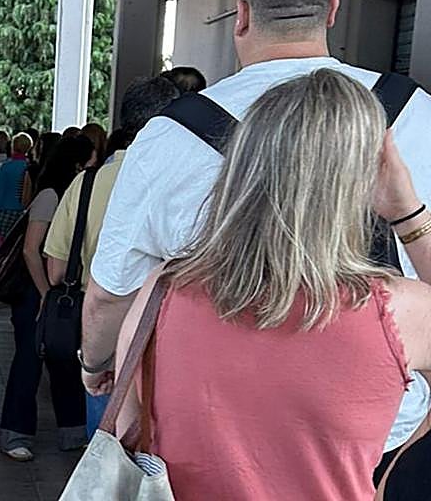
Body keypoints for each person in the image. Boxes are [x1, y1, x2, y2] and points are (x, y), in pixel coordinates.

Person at [81, 0, 431, 494]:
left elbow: (110, 299)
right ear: (333, 8)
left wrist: (96, 362)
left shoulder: (163, 270)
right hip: (380, 437)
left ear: (241, 15)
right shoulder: (421, 118)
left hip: (199, 451)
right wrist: (408, 215)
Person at [113, 70, 431, 501]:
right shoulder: (397, 312)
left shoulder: (163, 290)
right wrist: (408, 213)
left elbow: (128, 435)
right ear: (358, 183)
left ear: (240, 168)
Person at [42, 76, 180, 438]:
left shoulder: (87, 183)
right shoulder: (186, 180)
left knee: (106, 445)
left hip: (102, 332)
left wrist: (92, 361)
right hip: (171, 335)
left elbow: (56, 270)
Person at [0, 135, 96, 460]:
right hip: (36, 291)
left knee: (65, 358)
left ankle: (73, 431)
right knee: (29, 360)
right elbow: (30, 250)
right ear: (77, 164)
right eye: (91, 161)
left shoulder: (76, 195)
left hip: (59, 292)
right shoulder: (50, 196)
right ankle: (15, 434)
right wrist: (44, 294)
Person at [0, 132, 34, 238]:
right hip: (23, 213)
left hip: (5, 212)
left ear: (13, 146)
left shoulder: (6, 167)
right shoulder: (30, 167)